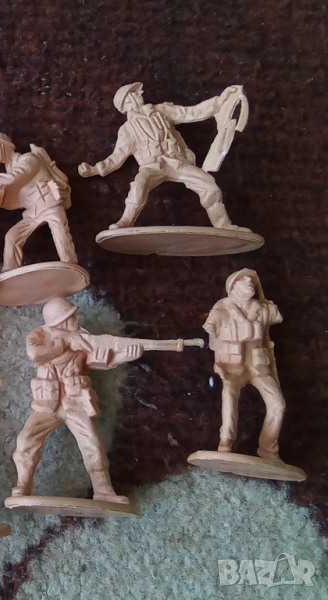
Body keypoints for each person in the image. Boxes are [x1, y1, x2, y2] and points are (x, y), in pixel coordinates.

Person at [12, 298, 144, 503]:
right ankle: (22, 486)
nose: (76, 318)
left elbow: (98, 359)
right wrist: (64, 342)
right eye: (71, 316)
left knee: (92, 444)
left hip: (74, 401)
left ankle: (103, 490)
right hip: (47, 403)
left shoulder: (83, 337)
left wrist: (125, 356)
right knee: (26, 440)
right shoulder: (39, 335)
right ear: (60, 321)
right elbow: (36, 354)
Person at [79, 83, 245, 231]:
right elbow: (117, 157)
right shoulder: (127, 129)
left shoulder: (162, 111)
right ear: (126, 103)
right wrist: (94, 169)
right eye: (134, 94)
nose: (139, 95)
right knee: (139, 185)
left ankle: (223, 225)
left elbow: (191, 112)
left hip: (178, 162)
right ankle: (125, 222)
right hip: (152, 167)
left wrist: (220, 101)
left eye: (137, 93)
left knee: (209, 185)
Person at [0, 132, 77, 270]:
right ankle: (9, 271)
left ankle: (70, 265)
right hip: (32, 211)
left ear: (4, 145)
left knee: (60, 231)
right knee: (12, 237)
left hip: (49, 203)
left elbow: (14, 178)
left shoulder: (28, 159)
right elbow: (9, 196)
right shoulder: (9, 170)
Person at [204, 269, 285, 461]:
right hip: (233, 367)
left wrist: (266, 304)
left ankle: (268, 450)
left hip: (258, 367)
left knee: (278, 404)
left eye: (252, 280)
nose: (249, 281)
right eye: (243, 280)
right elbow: (211, 332)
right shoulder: (222, 310)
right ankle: (225, 443)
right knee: (229, 393)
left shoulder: (263, 309)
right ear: (233, 287)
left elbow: (276, 316)